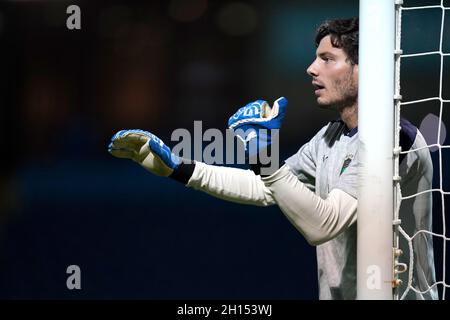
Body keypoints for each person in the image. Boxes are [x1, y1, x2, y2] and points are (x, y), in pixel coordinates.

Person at [108, 18, 437, 300]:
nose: (311, 68)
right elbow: (266, 187)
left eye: (327, 58)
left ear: (363, 67)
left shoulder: (392, 140)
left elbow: (322, 224)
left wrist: (264, 156)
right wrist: (179, 169)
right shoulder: (328, 138)